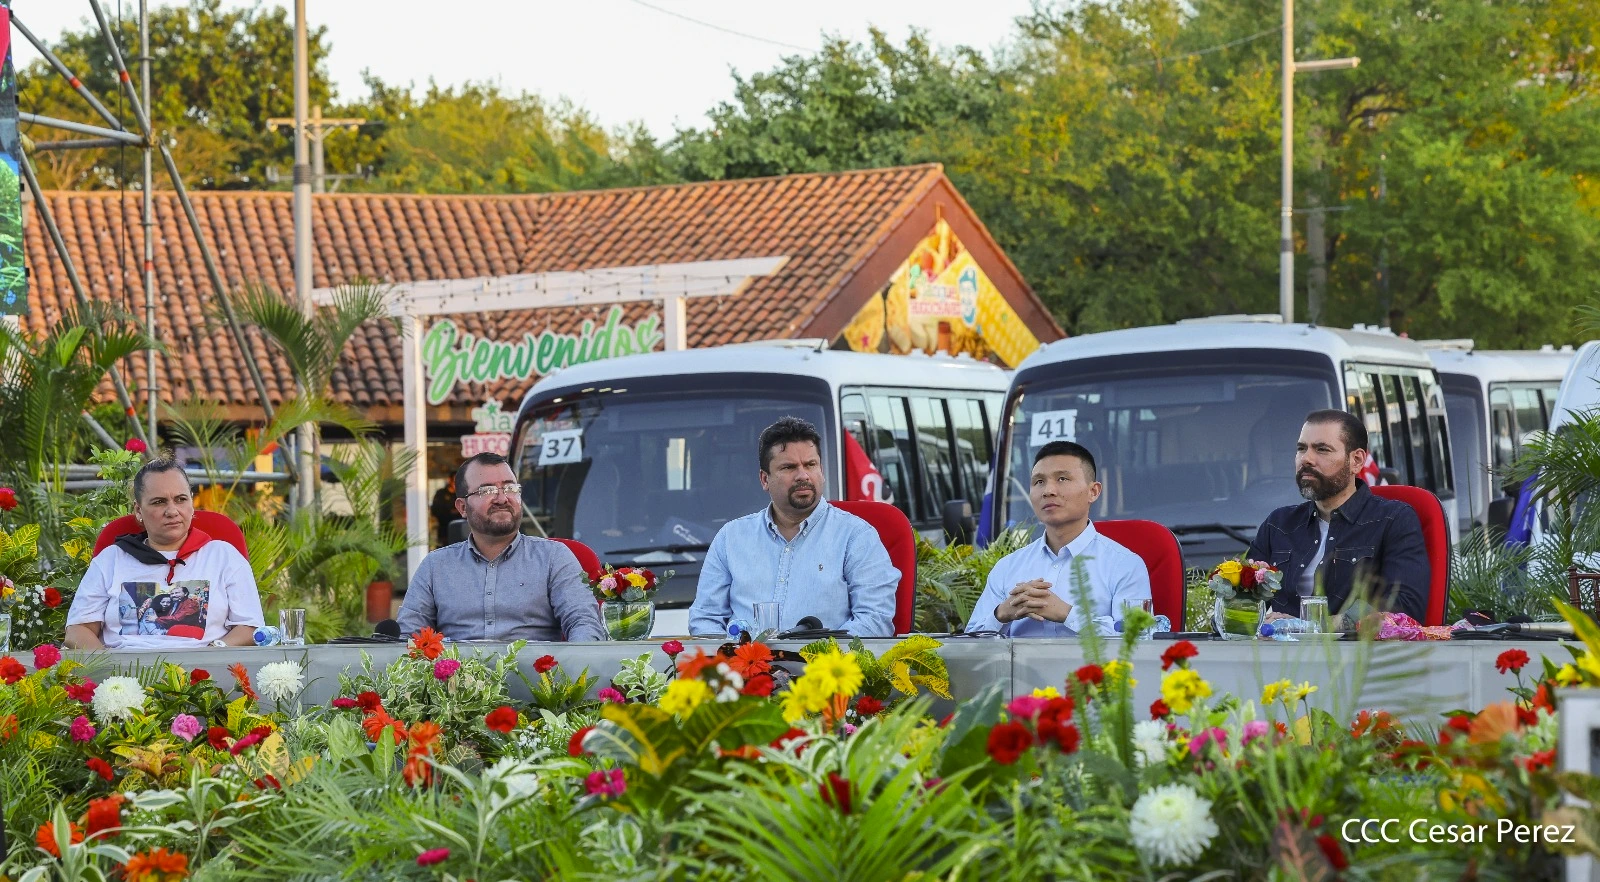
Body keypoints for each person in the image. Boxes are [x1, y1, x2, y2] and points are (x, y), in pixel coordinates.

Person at [689, 417, 899, 638]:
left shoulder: (856, 536)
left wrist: (816, 655)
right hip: (745, 660)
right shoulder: (731, 538)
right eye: (789, 467)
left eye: (810, 465)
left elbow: (874, 621)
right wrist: (732, 657)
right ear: (764, 479)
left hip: (826, 659)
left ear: (821, 471)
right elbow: (705, 619)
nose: (803, 476)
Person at [398, 452, 606, 642]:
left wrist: (574, 666)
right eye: (487, 490)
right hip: (457, 671)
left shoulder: (553, 557)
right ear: (462, 508)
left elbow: (584, 623)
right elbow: (408, 637)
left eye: (510, 488)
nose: (502, 498)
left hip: (534, 670)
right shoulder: (435, 566)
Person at [1248, 409, 1429, 622]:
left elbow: (1405, 606)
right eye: (1301, 448)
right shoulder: (1278, 524)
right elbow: (1241, 601)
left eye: (1322, 449)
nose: (1306, 459)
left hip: (1352, 645)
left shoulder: (1394, 520)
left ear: (1356, 461)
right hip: (1277, 643)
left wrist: (1315, 627)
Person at [66, 457, 264, 650]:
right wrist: (110, 667)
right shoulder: (111, 559)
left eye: (181, 499)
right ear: (138, 510)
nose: (172, 511)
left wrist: (214, 652)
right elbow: (78, 630)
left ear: (192, 503)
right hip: (125, 667)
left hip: (205, 666)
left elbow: (250, 627)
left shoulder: (224, 556)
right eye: (159, 502)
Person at [965, 441, 1152, 636]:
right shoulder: (1007, 567)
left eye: (1062, 479)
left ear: (1093, 491)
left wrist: (1067, 614)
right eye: (1039, 482)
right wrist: (1000, 614)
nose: (1048, 491)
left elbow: (1137, 642)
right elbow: (969, 644)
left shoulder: (1125, 565)